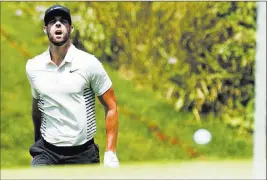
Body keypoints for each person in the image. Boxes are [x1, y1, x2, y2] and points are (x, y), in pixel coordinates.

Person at [26, 4, 119, 168]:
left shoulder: (89, 63)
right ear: (45, 29)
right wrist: (37, 145)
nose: (58, 25)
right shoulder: (34, 66)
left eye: (63, 21)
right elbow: (37, 107)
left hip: (83, 153)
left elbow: (111, 106)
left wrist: (110, 152)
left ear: (71, 28)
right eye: (52, 22)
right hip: (47, 153)